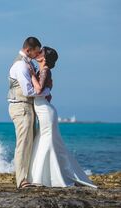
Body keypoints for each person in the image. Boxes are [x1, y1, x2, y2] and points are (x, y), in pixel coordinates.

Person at [26, 46, 97, 188]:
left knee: (48, 143)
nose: (37, 53)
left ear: (44, 58)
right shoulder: (43, 70)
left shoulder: (45, 70)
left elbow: (39, 89)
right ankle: (44, 176)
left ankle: (47, 178)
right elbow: (47, 92)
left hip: (46, 111)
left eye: (40, 52)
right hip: (44, 109)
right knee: (45, 142)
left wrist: (31, 75)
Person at [7, 37, 51, 189]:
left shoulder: (27, 63)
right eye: (36, 51)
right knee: (23, 144)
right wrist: (46, 91)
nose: (38, 54)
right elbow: (28, 91)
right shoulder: (20, 65)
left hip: (26, 107)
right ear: (28, 50)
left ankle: (28, 176)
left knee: (30, 143)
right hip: (21, 107)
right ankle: (21, 180)